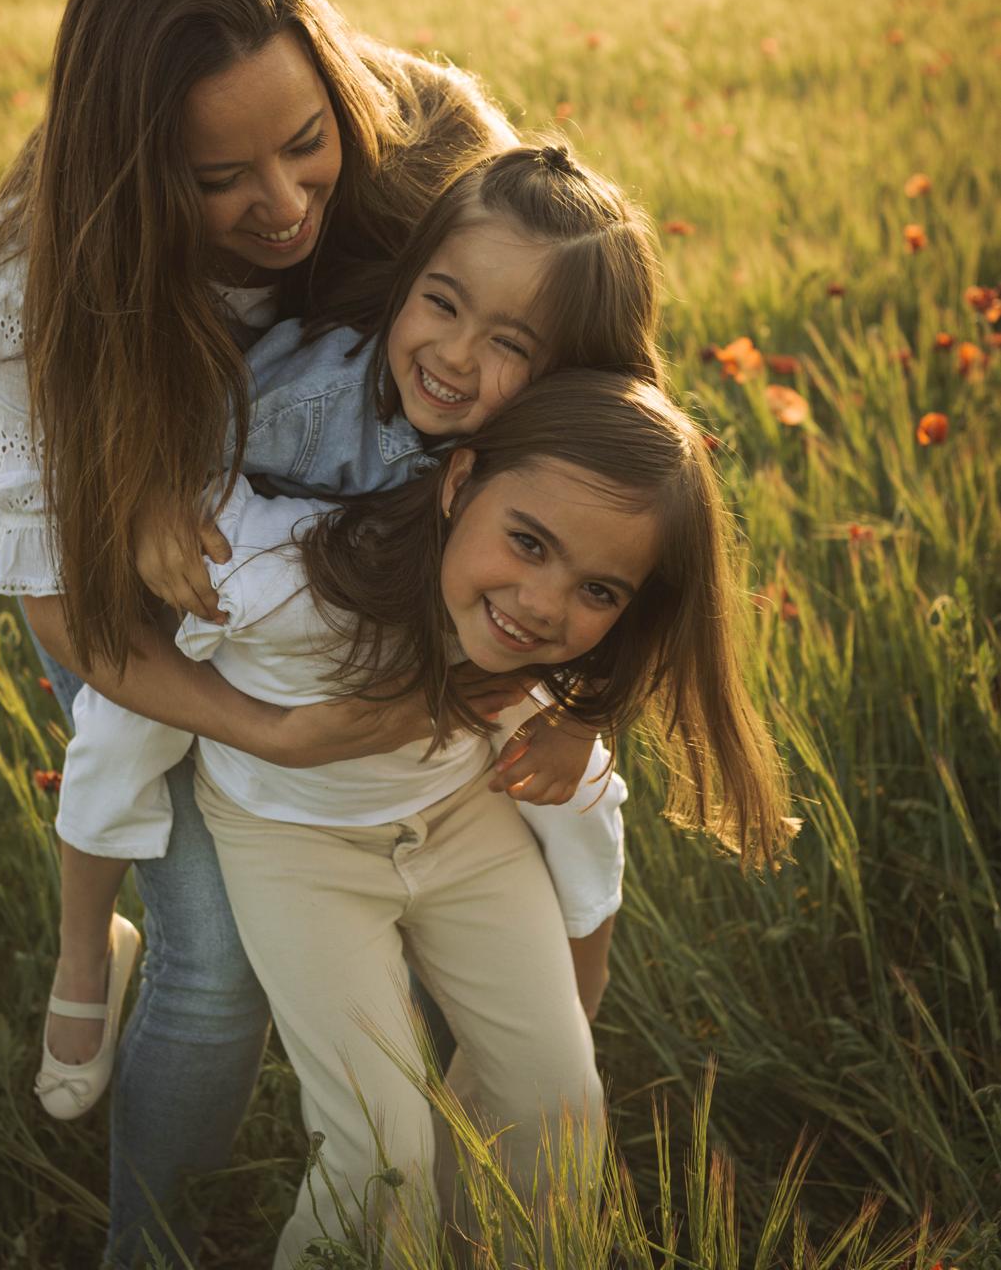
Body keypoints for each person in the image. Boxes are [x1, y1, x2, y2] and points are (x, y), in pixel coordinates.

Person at [0, 0, 593, 1266]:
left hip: (355, 577)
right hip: (143, 609)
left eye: (308, 145)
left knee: (451, 872)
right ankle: (151, 1243)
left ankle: (449, 1204)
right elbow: (57, 601)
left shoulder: (428, 133)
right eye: (217, 181)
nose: (287, 203)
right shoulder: (42, 265)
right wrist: (266, 729)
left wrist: (568, 683)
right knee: (216, 967)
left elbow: (584, 401)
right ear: (134, 177)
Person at [45, 140, 664, 1120]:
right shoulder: (305, 401)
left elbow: (637, 592)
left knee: (582, 798)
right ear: (408, 282)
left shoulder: (567, 461)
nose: (457, 356)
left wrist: (584, 720)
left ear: (571, 375)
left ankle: (569, 1009)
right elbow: (163, 430)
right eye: (443, 303)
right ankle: (85, 942)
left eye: (512, 345)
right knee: (125, 732)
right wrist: (157, 497)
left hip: (453, 643)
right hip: (226, 613)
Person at [151, 369, 789, 1266]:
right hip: (293, 843)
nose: (541, 605)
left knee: (556, 1103)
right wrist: (154, 508)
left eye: (598, 591)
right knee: (382, 1155)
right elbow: (122, 653)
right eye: (527, 542)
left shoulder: (554, 691)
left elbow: (600, 772)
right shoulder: (288, 577)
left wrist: (582, 719)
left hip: (465, 820)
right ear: (457, 483)